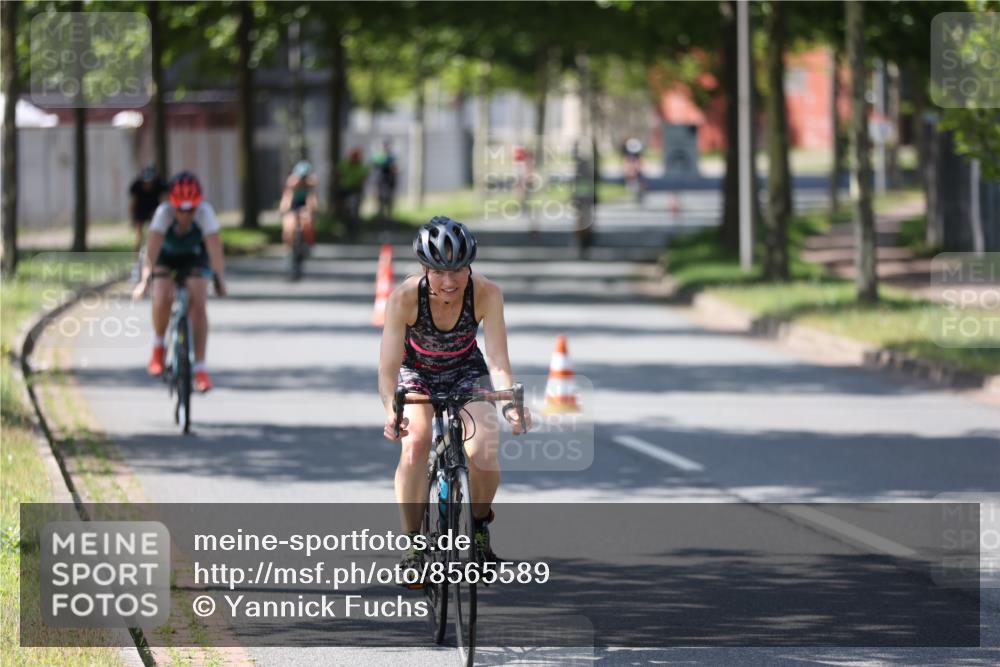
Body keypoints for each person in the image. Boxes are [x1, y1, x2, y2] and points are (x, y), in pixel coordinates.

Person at [379, 216, 532, 579]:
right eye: (438, 272)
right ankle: (415, 543)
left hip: (466, 371)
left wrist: (510, 403)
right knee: (415, 443)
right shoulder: (403, 298)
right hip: (417, 374)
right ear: (423, 268)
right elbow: (387, 368)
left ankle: (479, 526)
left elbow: (496, 358)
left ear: (470, 267)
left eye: (458, 270)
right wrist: (391, 408)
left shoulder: (486, 293)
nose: (449, 282)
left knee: (483, 448)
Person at [133, 171, 227, 393]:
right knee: (162, 292)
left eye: (190, 210)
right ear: (172, 204)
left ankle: (201, 369)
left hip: (194, 256)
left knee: (198, 300)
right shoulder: (163, 214)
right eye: (181, 210)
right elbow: (152, 251)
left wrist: (220, 279)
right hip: (166, 257)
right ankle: (158, 347)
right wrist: (145, 279)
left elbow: (214, 250)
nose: (185, 215)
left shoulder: (205, 213)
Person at [128, 164, 166, 254]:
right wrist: (132, 218)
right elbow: (133, 203)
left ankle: (154, 255)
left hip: (153, 210)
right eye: (146, 182)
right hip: (140, 211)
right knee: (139, 236)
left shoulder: (159, 184)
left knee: (154, 234)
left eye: (150, 182)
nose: (148, 184)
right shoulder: (136, 185)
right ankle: (136, 260)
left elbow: (164, 200)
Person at [279, 160, 318, 247]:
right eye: (301, 177)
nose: (302, 180)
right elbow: (287, 197)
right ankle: (289, 248)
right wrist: (284, 208)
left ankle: (309, 243)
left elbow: (311, 199)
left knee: (307, 222)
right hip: (293, 205)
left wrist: (312, 209)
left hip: (304, 205)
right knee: (288, 227)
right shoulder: (292, 183)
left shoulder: (310, 184)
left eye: (305, 177)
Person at [337, 147, 369, 239]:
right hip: (344, 190)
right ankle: (346, 228)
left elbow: (364, 178)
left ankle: (355, 230)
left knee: (354, 210)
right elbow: (338, 174)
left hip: (355, 190)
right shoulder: (344, 164)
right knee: (345, 210)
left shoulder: (361, 167)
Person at [371, 140, 399, 223]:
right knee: (380, 198)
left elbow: (395, 168)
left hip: (389, 181)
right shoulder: (378, 157)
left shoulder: (392, 157)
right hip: (380, 181)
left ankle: (388, 215)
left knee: (389, 198)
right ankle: (380, 214)